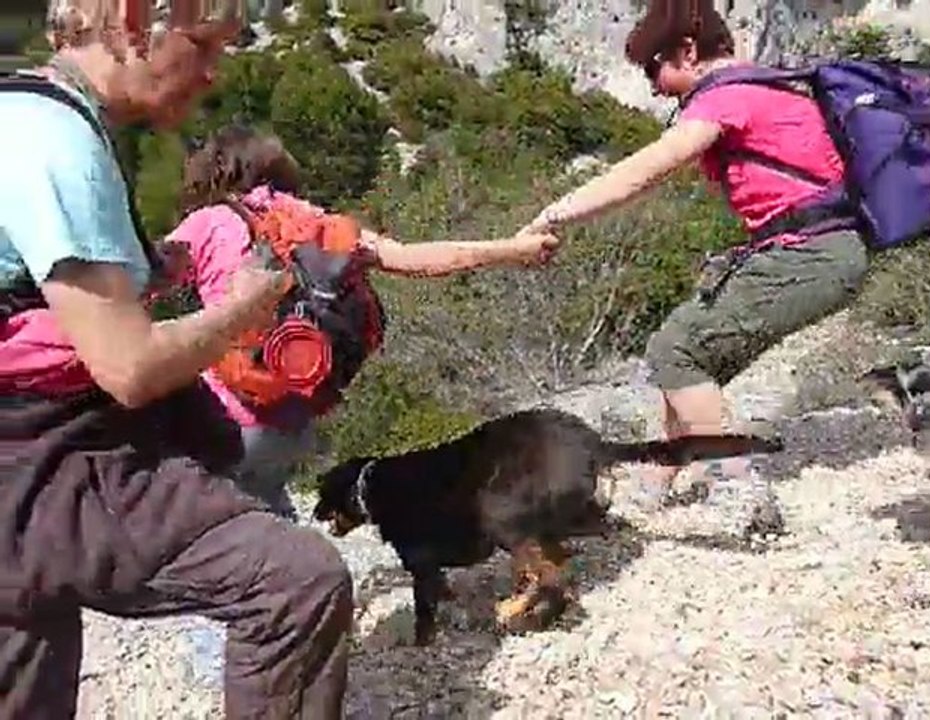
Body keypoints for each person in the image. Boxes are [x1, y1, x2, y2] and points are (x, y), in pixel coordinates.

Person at [0, 1, 549, 716]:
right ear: (137, 24)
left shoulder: (35, 112)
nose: (212, 74)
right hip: (46, 448)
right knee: (297, 581)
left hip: (41, 452)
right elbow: (129, 365)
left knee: (27, 641)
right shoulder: (57, 145)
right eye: (207, 48)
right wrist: (241, 312)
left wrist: (151, 270)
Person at [521, 0, 869, 540]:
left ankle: (740, 492)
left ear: (687, 51)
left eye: (653, 68)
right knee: (681, 345)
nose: (655, 87)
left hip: (813, 252)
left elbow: (644, 171)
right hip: (812, 249)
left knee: (675, 349)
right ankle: (656, 480)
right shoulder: (771, 85)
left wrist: (555, 212)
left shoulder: (729, 96)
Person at [158, 123, 560, 518]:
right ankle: (300, 571)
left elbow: (139, 281)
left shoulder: (208, 222)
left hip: (224, 417)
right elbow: (418, 258)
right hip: (294, 420)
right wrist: (514, 249)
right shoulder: (313, 221)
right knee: (265, 506)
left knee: (183, 519)